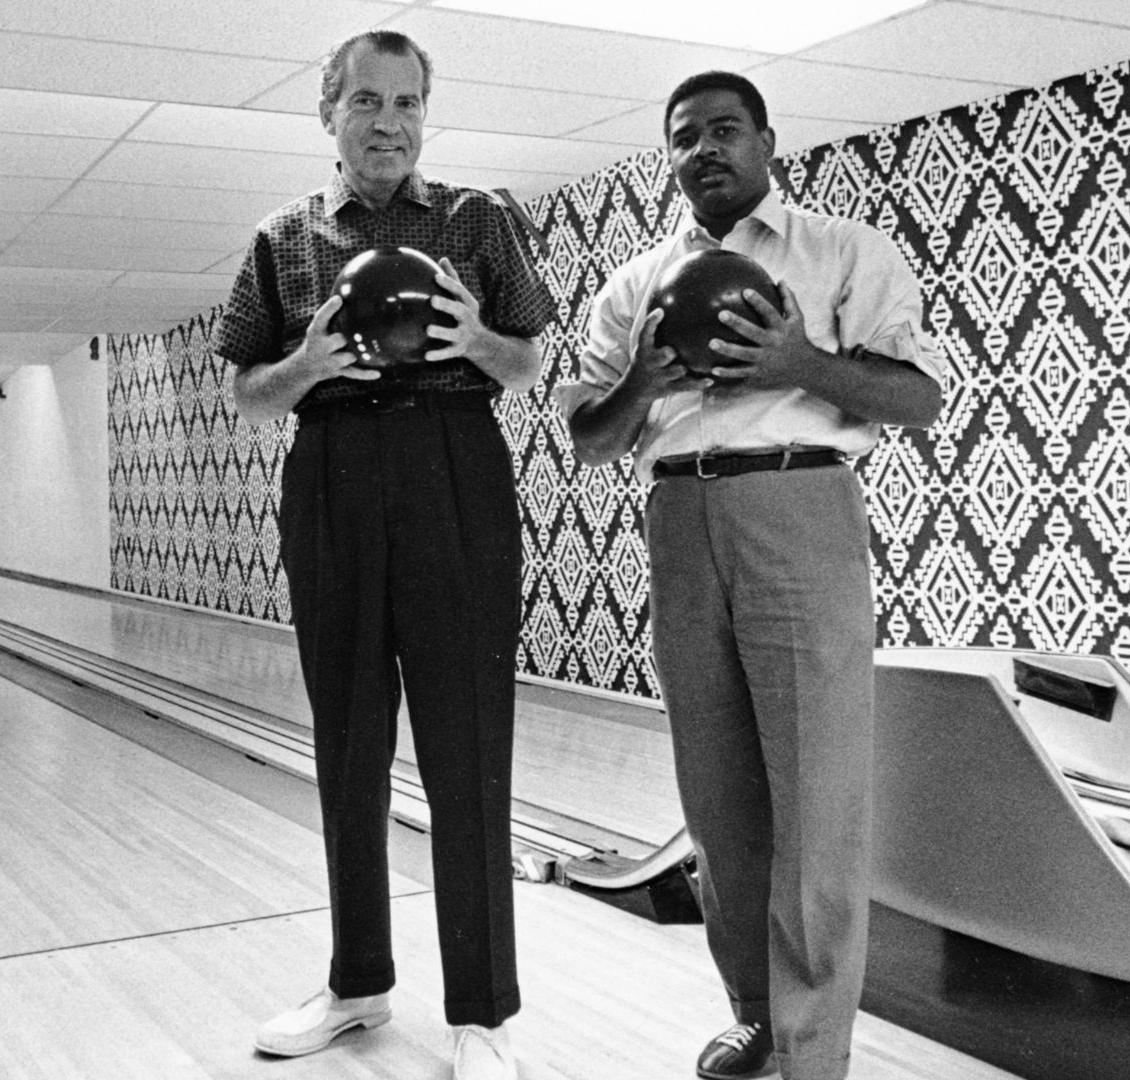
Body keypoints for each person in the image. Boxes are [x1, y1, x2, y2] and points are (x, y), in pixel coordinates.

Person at [559, 71, 945, 1080]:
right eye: (684, 137)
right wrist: (642, 379)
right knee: (718, 795)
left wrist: (798, 362)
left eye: (725, 130)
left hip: (798, 501)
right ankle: (758, 1018)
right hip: (679, 517)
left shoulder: (844, 253)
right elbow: (589, 438)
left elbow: (919, 398)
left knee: (817, 792)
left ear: (768, 142)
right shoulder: (634, 286)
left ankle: (814, 1053)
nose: (705, 150)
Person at [212, 28, 554, 1080]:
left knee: (468, 744)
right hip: (334, 468)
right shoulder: (283, 237)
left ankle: (482, 1014)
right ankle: (358, 984)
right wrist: (307, 363)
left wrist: (475, 342)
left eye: (407, 102)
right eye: (367, 100)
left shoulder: (476, 217)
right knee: (349, 742)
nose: (389, 123)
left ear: (424, 115)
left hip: (455, 464)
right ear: (329, 112)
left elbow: (529, 359)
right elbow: (245, 388)